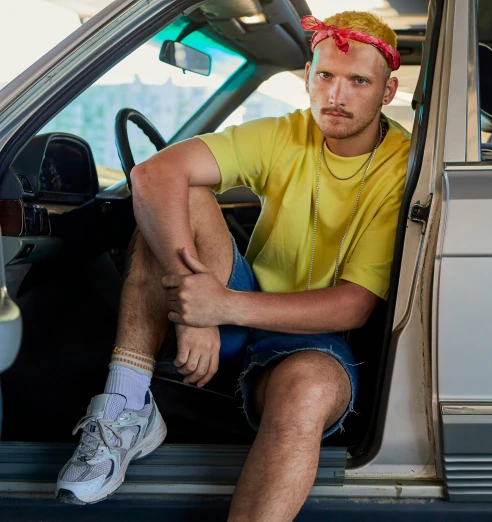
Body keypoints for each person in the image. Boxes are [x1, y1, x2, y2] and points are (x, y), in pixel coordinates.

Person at [56, 11, 409, 521]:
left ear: (388, 90)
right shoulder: (286, 133)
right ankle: (126, 403)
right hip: (235, 301)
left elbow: (353, 307)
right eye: (325, 76)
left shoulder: (400, 168)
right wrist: (201, 304)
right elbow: (154, 176)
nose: (337, 95)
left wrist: (218, 307)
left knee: (308, 390)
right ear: (308, 77)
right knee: (179, 195)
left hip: (318, 339)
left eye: (358, 81)